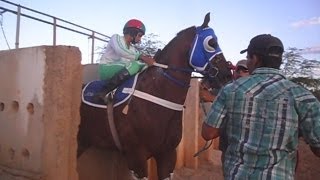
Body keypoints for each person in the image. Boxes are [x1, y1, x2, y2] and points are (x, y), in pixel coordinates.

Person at [201, 34, 320, 179]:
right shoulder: (303, 96)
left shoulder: (230, 90)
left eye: (248, 58)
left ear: (255, 59)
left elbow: (208, 134)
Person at [98, 19, 155, 99]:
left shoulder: (132, 49)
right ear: (132, 32)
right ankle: (104, 92)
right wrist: (142, 57)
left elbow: (140, 59)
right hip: (106, 69)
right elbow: (121, 51)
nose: (140, 39)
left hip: (120, 69)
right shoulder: (116, 38)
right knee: (137, 64)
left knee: (144, 65)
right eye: (139, 35)